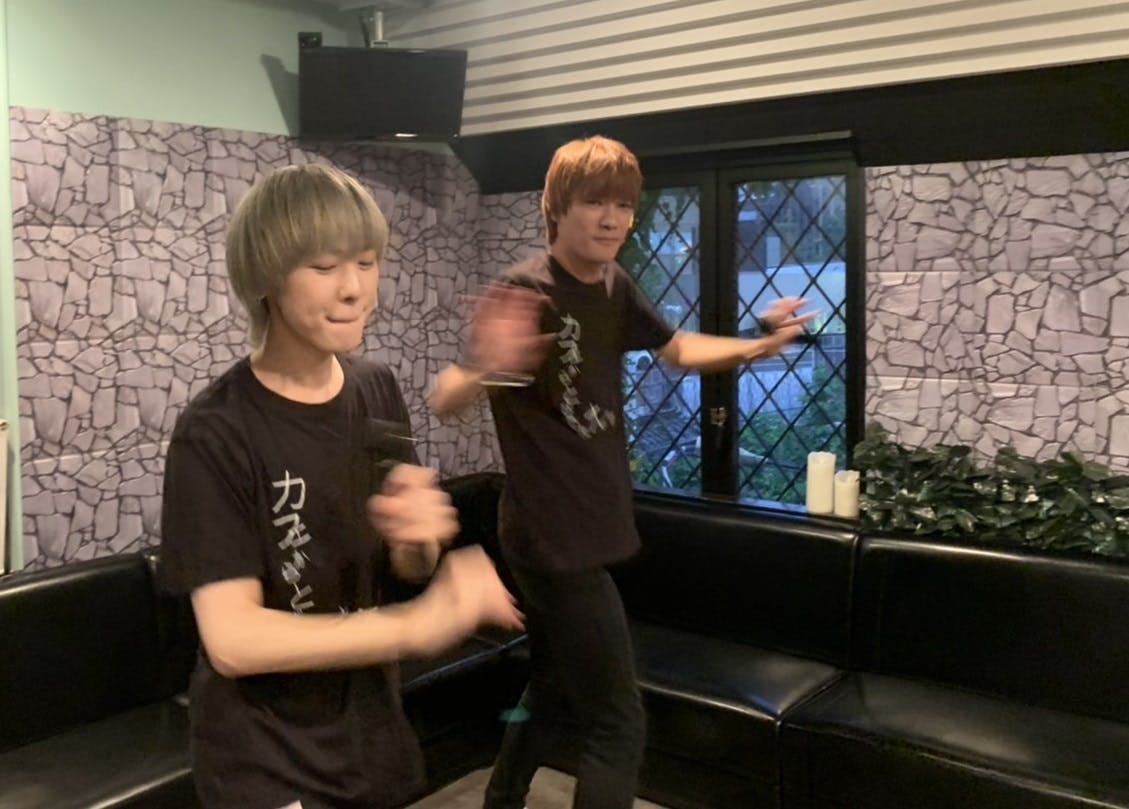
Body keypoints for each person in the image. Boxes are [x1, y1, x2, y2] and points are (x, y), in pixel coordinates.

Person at [428, 135, 815, 809]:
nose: (611, 219)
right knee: (618, 721)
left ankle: (501, 798)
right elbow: (446, 397)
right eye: (594, 203)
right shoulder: (525, 289)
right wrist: (486, 365)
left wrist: (761, 345)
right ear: (556, 208)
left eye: (623, 205)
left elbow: (677, 348)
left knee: (552, 683)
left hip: (582, 524)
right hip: (551, 534)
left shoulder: (612, 285)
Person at [159, 163, 523, 809]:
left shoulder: (375, 388)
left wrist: (416, 543)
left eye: (366, 261)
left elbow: (404, 569)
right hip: (266, 766)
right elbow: (233, 640)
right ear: (267, 277)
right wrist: (416, 625)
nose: (354, 288)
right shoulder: (214, 432)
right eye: (324, 266)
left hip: (369, 742)